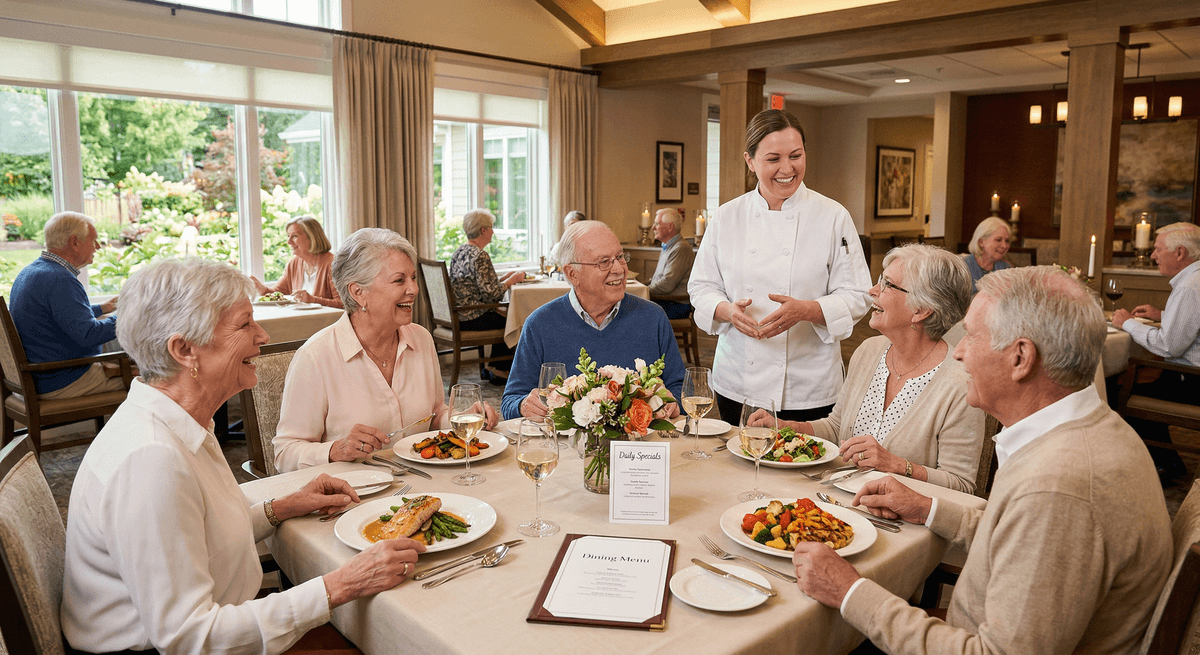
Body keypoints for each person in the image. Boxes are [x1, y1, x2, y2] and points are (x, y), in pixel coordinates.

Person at [792, 266, 1172, 654]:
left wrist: (850, 592)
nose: (958, 352)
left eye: (972, 337)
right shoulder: (1087, 429)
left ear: (1021, 357)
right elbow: (1017, 537)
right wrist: (927, 508)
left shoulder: (1057, 485)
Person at [61, 258, 423, 654]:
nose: (263, 335)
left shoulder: (178, 422)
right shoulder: (151, 460)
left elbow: (201, 534)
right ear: (184, 350)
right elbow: (189, 638)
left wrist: (281, 507)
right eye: (245, 324)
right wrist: (342, 584)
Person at [689, 109, 872, 424]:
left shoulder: (833, 216)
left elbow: (858, 294)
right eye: (773, 159)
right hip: (738, 379)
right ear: (750, 161)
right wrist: (726, 310)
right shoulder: (727, 217)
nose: (787, 169)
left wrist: (808, 310)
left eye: (796, 156)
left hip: (807, 384)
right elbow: (701, 286)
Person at [754, 244, 983, 492]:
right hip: (839, 496)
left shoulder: (961, 384)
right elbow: (836, 429)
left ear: (921, 310)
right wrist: (788, 427)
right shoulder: (869, 351)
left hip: (896, 514)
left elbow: (961, 486)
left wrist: (897, 465)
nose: (872, 291)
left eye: (888, 284)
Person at [274, 228, 498, 472]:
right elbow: (285, 454)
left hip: (424, 482)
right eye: (399, 280)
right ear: (358, 292)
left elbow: (433, 416)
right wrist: (334, 450)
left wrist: (460, 418)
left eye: (413, 278)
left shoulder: (421, 339)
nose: (414, 289)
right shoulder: (316, 357)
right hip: (354, 490)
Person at [502, 221, 684, 420]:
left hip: (642, 439)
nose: (619, 269)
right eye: (604, 262)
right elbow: (511, 400)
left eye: (620, 257)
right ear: (572, 274)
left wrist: (673, 401)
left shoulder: (653, 317)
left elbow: (680, 387)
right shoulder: (539, 324)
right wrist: (523, 405)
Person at [1112, 221, 1200, 480]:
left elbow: (1169, 346)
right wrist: (1162, 315)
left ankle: (1162, 464)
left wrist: (1127, 323)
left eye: (1158, 249)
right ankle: (1167, 460)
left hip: (1193, 382)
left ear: (1180, 252)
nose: (1152, 255)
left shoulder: (1189, 287)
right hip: (1191, 375)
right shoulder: (1195, 279)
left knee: (1116, 389)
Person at [8, 211, 123, 399]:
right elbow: (89, 335)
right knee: (148, 383)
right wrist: (129, 316)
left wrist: (102, 309)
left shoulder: (33, 271)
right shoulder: (60, 280)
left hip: (40, 376)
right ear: (75, 242)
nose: (98, 247)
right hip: (61, 380)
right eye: (93, 241)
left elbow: (60, 315)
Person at [449, 209, 525, 382]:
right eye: (491, 227)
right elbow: (492, 295)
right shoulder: (480, 255)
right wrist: (512, 280)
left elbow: (480, 286)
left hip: (460, 315)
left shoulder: (459, 252)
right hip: (473, 317)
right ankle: (500, 369)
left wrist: (505, 278)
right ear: (483, 230)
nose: (493, 232)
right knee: (515, 320)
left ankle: (493, 367)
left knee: (505, 316)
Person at [251, 215, 342, 307]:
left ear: (312, 237)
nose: (288, 241)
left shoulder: (334, 264)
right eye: (288, 236)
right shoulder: (293, 263)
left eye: (294, 236)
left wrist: (313, 300)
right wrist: (262, 289)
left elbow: (343, 304)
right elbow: (276, 294)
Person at [647, 207, 695, 320]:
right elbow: (658, 280)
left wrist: (643, 291)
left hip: (676, 304)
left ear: (670, 227)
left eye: (657, 224)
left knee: (631, 311)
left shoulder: (680, 248)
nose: (653, 228)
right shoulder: (668, 246)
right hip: (665, 301)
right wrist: (641, 286)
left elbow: (667, 285)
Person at [963, 216, 1012, 292]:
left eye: (1007, 241)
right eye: (998, 240)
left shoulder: (1006, 268)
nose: (1004, 246)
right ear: (981, 242)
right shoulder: (962, 267)